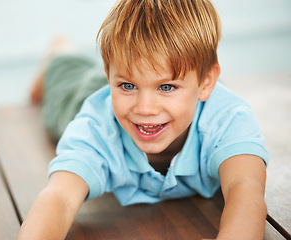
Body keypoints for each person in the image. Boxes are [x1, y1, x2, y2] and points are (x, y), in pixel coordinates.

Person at [18, 0, 269, 239]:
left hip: (139, 78)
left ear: (206, 82)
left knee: (135, 72)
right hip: (82, 92)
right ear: (111, 78)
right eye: (127, 85)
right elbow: (59, 198)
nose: (145, 108)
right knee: (66, 80)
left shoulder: (227, 119)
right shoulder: (95, 125)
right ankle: (61, 51)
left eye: (167, 87)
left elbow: (245, 187)